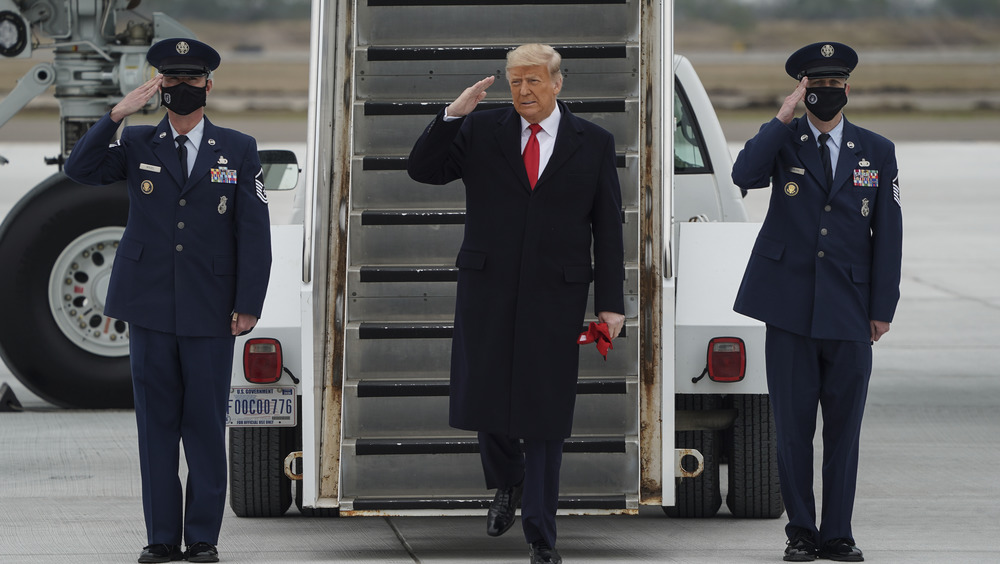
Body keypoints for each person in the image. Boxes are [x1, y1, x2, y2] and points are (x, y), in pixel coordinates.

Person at [407, 43, 626, 564]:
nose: (522, 91)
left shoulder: (592, 141)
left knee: (546, 412)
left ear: (557, 83)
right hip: (488, 287)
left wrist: (611, 304)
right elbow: (422, 169)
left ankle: (541, 535)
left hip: (557, 293)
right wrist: (452, 114)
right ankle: (507, 479)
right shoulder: (482, 131)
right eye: (514, 82)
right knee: (487, 396)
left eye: (532, 81)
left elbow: (608, 228)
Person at [64, 38, 271, 564]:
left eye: (191, 79)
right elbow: (79, 170)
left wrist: (248, 303)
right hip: (150, 305)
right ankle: (160, 539)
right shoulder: (136, 142)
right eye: (170, 80)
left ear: (208, 84)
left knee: (203, 425)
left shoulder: (239, 148)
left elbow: (254, 232)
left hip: (210, 309)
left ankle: (202, 538)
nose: (181, 89)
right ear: (157, 85)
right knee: (155, 427)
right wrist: (116, 114)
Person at [731, 42, 902, 562]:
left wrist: (882, 308)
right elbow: (743, 176)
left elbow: (888, 233)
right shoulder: (785, 142)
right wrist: (781, 118)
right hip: (788, 308)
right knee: (792, 429)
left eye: (834, 84)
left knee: (844, 432)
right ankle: (801, 531)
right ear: (802, 90)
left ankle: (838, 534)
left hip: (850, 310)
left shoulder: (877, 149)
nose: (826, 93)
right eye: (815, 85)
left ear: (847, 88)